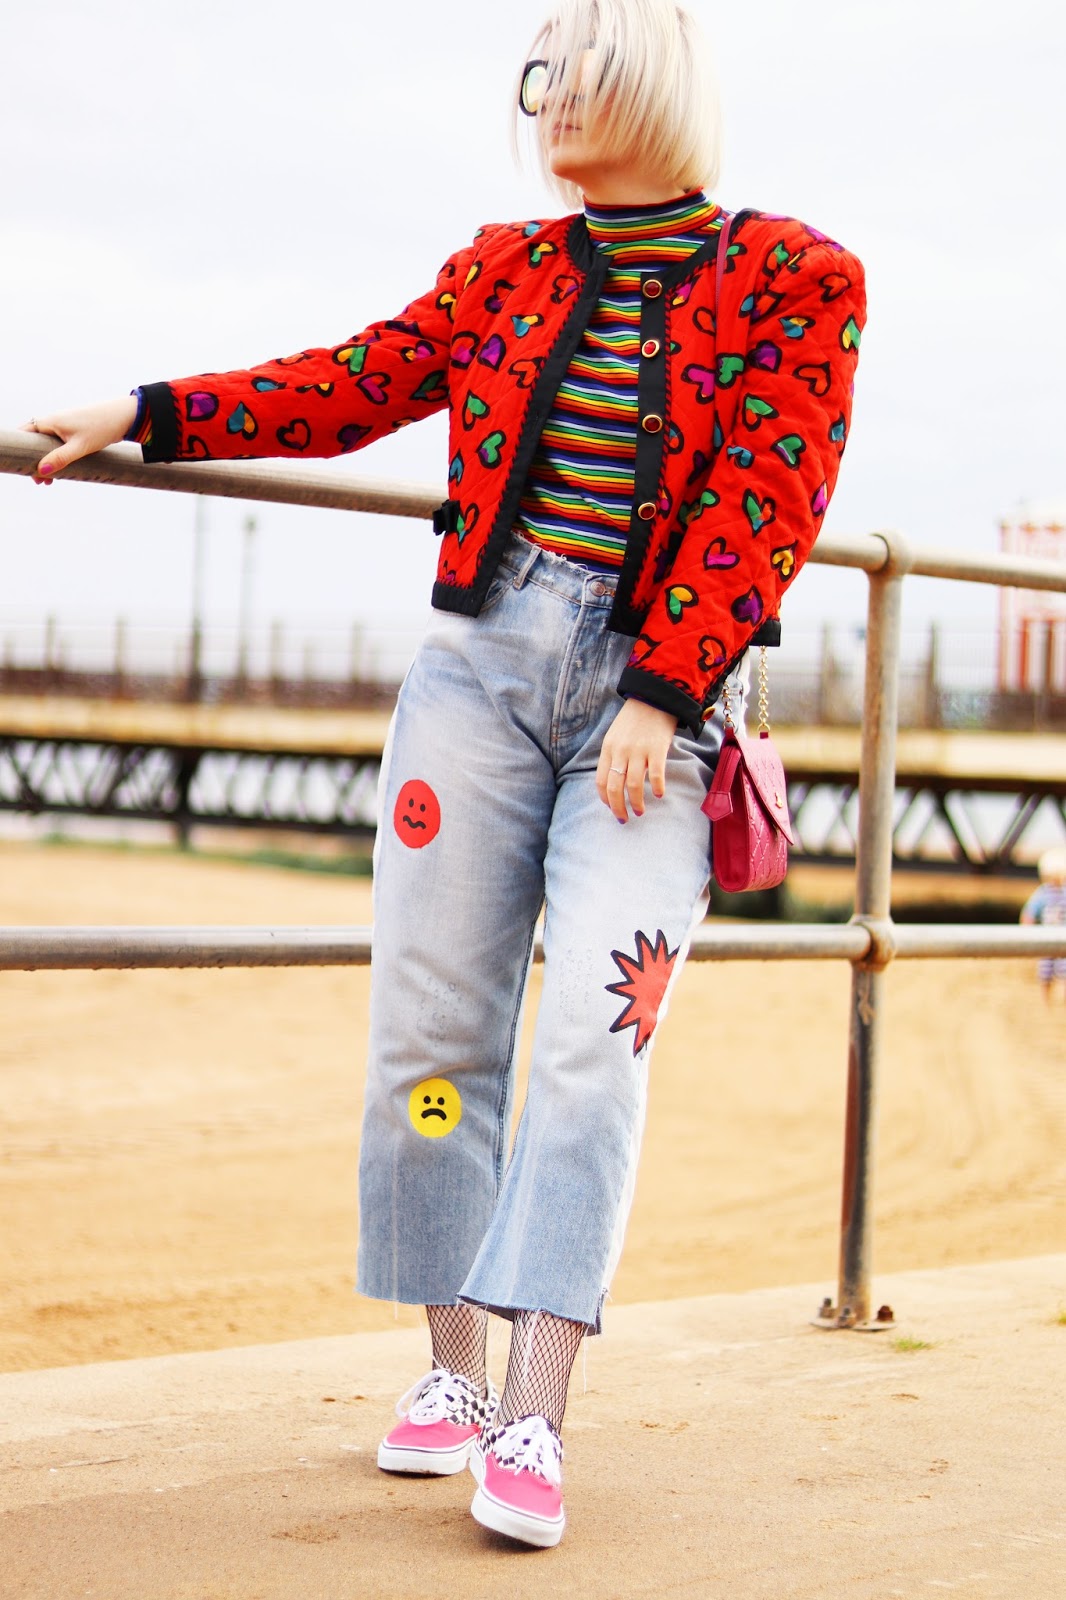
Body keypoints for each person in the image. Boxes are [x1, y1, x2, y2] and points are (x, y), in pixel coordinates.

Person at [22, 0, 865, 1549]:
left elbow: (771, 492)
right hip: (474, 683)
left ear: (655, 86)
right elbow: (349, 384)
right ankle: (454, 1376)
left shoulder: (794, 276)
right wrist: (145, 414)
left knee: (593, 1043)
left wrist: (664, 687)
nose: (548, 100)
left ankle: (537, 1408)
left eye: (579, 72)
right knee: (430, 1037)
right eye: (539, 77)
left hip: (651, 712)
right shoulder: (502, 269)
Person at [1020, 847, 1066, 1003]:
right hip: (1047, 939)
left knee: (1063, 970)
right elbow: (1029, 913)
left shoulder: (1055, 893)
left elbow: (1029, 913)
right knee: (1045, 971)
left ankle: (1061, 1000)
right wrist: (1026, 932)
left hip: (1061, 939)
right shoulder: (1043, 893)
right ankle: (1046, 1000)